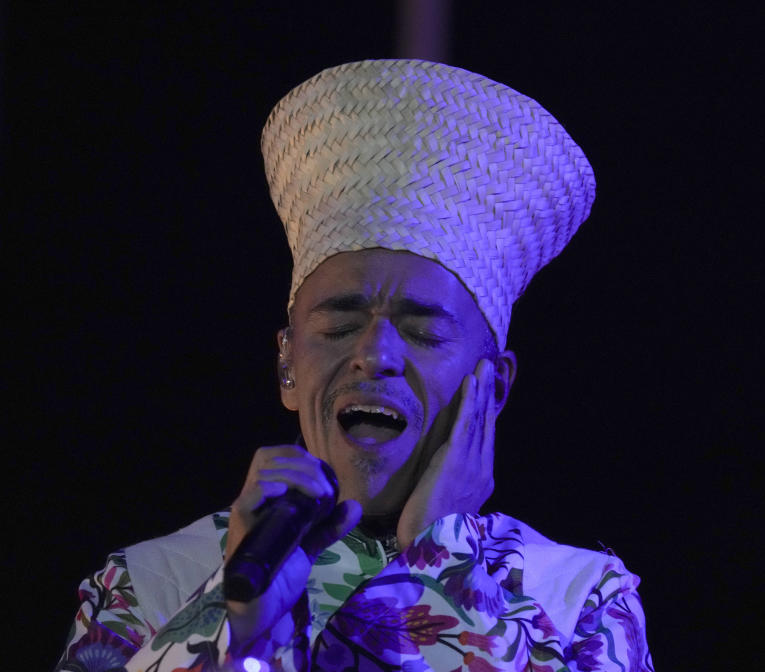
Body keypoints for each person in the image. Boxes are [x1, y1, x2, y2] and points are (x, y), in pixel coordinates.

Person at [56, 59, 655, 672]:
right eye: (339, 325)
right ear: (287, 363)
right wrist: (242, 629)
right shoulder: (145, 587)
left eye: (422, 331)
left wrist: (439, 557)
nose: (375, 354)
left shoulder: (581, 601)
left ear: (494, 386)